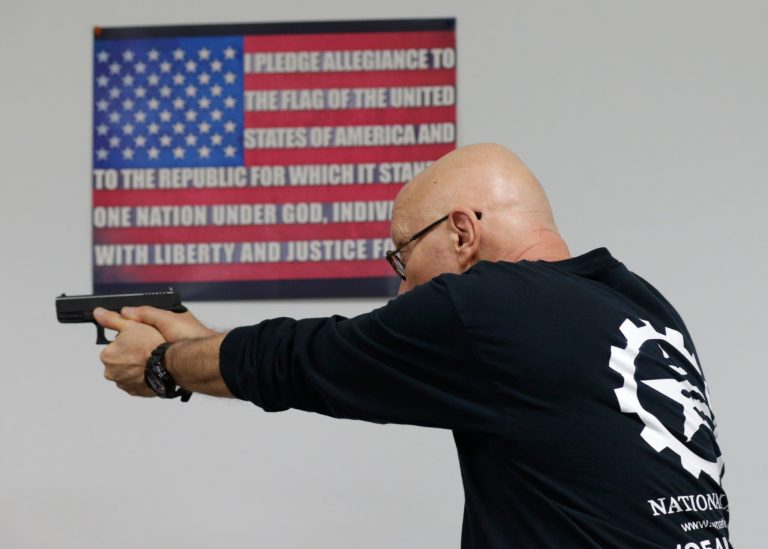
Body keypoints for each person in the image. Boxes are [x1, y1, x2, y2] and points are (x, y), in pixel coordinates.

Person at [96, 143, 731, 548]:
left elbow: (306, 361)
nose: (403, 293)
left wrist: (160, 363)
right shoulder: (639, 304)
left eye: (403, 256)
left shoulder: (485, 304)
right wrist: (202, 341)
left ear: (461, 232)